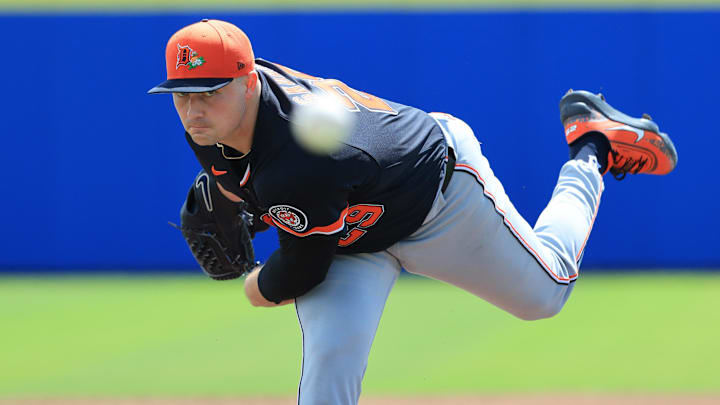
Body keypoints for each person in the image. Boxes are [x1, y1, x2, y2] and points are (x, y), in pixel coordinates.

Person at [148, 19, 678, 405]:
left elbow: (301, 267)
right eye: (181, 93)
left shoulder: (302, 156)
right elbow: (255, 180)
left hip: (437, 199)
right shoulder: (213, 123)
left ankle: (592, 147)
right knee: (330, 367)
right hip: (350, 232)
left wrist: (254, 286)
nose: (193, 109)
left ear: (249, 81)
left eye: (209, 92)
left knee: (546, 294)